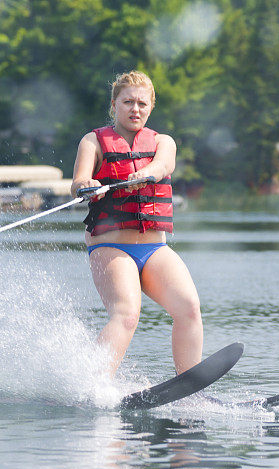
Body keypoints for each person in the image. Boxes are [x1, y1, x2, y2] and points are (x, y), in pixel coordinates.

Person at [70, 71, 202, 377]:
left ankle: (190, 386)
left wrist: (147, 173)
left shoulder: (162, 142)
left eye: (142, 103)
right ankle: (94, 385)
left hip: (154, 249)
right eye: (128, 102)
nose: (135, 109)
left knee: (189, 309)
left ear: (151, 106)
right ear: (114, 104)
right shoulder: (93, 141)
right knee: (127, 315)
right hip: (110, 246)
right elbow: (77, 183)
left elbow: (164, 164)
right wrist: (87, 185)